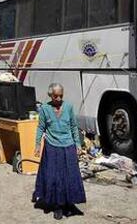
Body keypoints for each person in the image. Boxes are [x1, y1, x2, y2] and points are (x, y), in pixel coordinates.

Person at [33, 83, 86, 220]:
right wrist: (38, 145)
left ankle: (68, 203)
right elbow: (41, 128)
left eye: (61, 95)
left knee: (69, 176)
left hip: (68, 145)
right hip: (52, 146)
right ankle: (57, 206)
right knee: (54, 177)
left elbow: (74, 127)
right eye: (55, 96)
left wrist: (78, 144)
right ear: (50, 95)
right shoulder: (45, 109)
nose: (58, 98)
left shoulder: (68, 107)